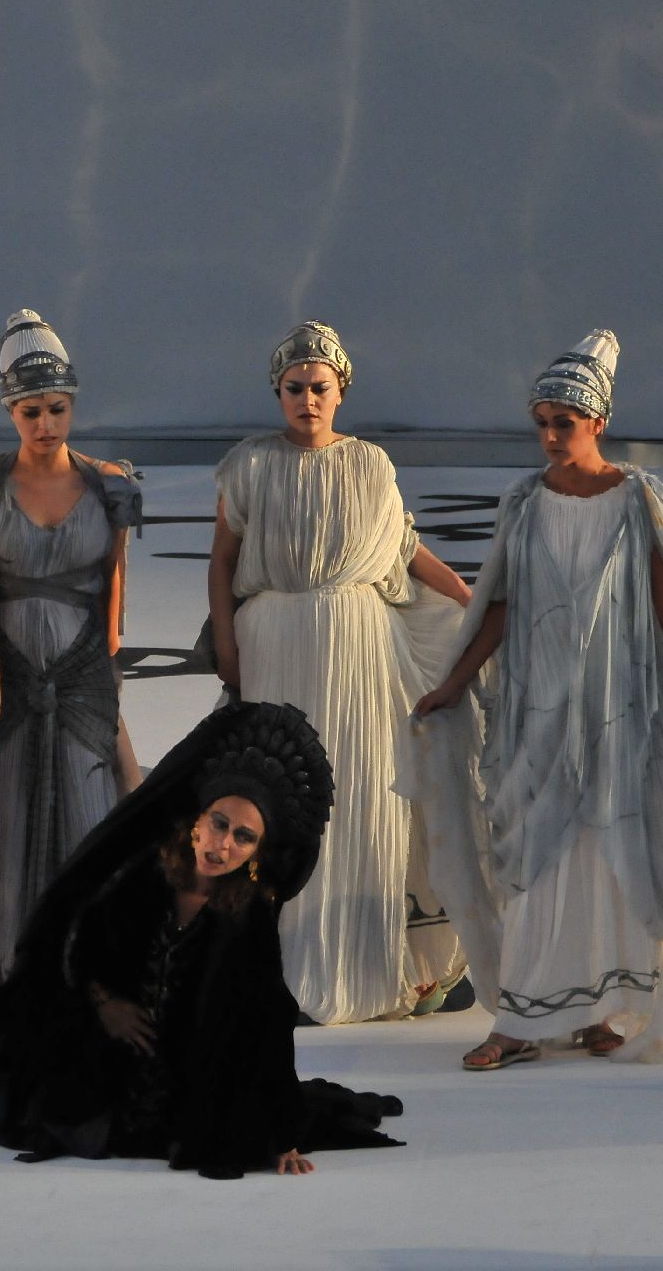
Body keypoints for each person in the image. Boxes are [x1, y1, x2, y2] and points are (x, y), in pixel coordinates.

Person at [409, 331, 663, 1068]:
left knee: (612, 843)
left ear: (598, 422)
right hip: (538, 701)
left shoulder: (638, 498)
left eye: (564, 423)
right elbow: (500, 603)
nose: (550, 436)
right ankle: (520, 1018)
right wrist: (453, 683)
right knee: (539, 847)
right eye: (542, 422)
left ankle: (604, 1008)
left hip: (618, 700)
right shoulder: (525, 502)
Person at [0, 701, 405, 1179]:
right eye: (219, 823)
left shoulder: (249, 915)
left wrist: (284, 1137)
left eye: (243, 837)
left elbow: (268, 1022)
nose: (224, 845)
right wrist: (105, 1004)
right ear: (197, 820)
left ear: (257, 854)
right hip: (107, 1067)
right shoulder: (146, 876)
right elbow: (78, 944)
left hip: (189, 1089)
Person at [206, 321, 470, 1025]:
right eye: (294, 388)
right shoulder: (249, 465)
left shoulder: (371, 465)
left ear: (341, 391)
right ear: (278, 393)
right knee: (281, 797)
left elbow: (405, 550)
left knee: (359, 795)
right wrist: (227, 645)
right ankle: (279, 963)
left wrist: (466, 599)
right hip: (274, 646)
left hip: (359, 650)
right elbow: (223, 562)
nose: (307, 400)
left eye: (319, 388)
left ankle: (365, 960)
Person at [0, 309, 142, 1016]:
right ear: (9, 412)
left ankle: (89, 977)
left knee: (91, 820)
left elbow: (113, 597)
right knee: (5, 829)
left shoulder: (109, 487)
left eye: (56, 408)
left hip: (81, 677)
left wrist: (105, 680)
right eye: (30, 411)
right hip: (9, 677)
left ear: (72, 405)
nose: (46, 423)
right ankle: (15, 979)